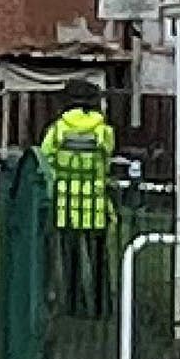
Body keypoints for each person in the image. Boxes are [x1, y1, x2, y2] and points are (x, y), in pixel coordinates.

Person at [41, 100, 117, 316]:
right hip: (95, 203)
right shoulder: (104, 131)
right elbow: (108, 157)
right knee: (98, 256)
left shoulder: (58, 129)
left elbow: (45, 158)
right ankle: (101, 306)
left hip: (65, 204)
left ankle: (73, 304)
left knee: (70, 255)